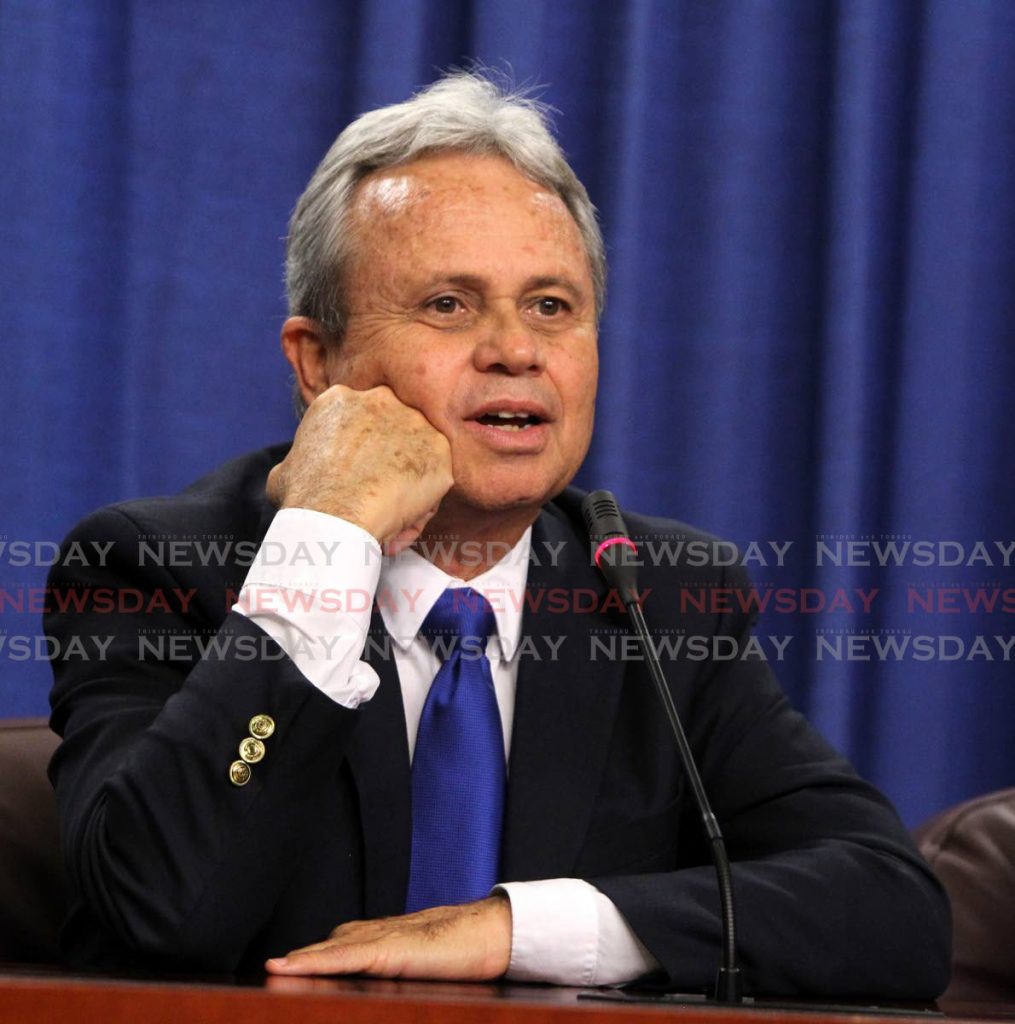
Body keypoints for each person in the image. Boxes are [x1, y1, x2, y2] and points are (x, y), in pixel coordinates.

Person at [45, 72, 950, 995]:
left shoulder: (657, 593)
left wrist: (522, 927)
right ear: (318, 363)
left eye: (551, 306)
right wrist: (325, 541)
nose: (515, 350)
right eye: (448, 304)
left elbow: (891, 911)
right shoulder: (152, 568)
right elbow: (154, 907)